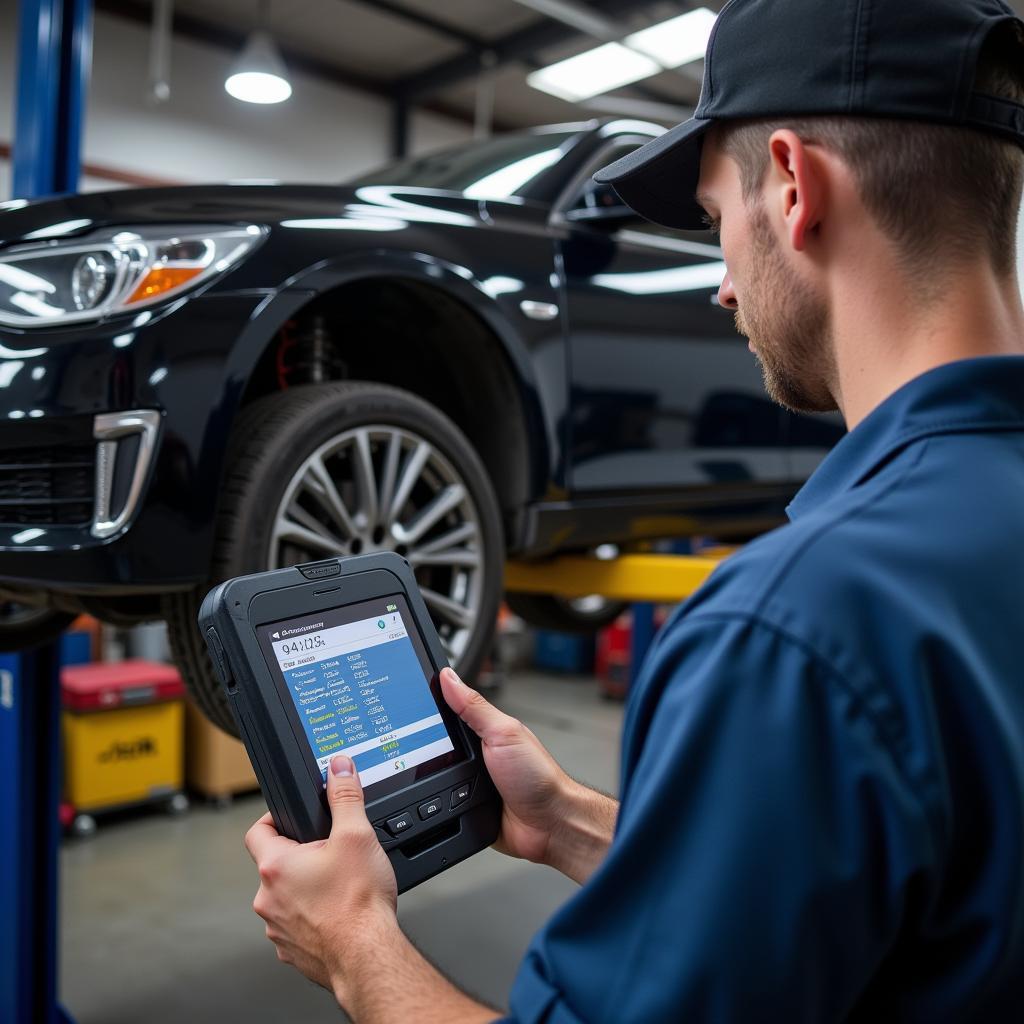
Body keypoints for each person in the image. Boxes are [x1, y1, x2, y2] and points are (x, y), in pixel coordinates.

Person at [242, 0, 1024, 1020]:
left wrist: (352, 943)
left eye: (711, 223)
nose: (721, 289)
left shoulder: (794, 630)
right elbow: (884, 878)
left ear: (793, 186)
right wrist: (564, 818)